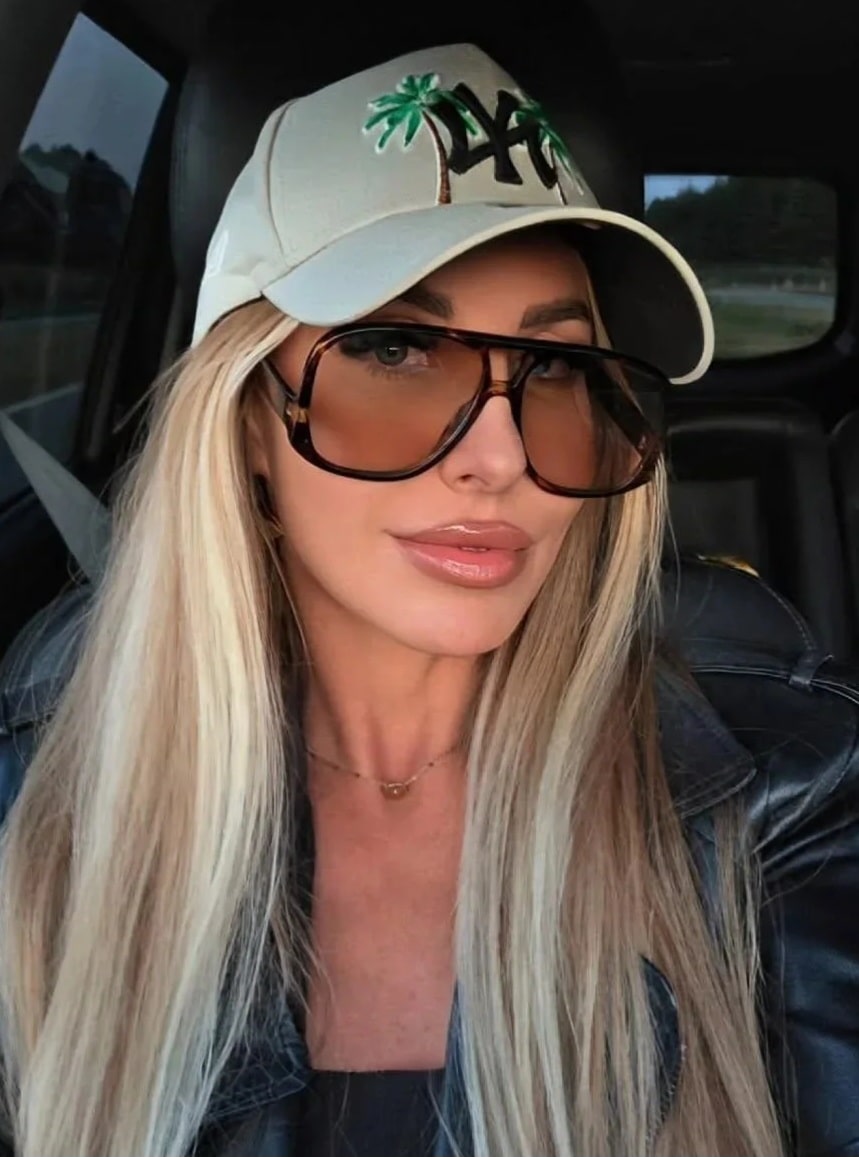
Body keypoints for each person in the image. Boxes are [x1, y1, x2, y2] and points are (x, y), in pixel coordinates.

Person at [0, 41, 858, 1157]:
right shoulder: (38, 805)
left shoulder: (783, 783)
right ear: (246, 417)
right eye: (395, 347)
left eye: (556, 368)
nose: (498, 458)